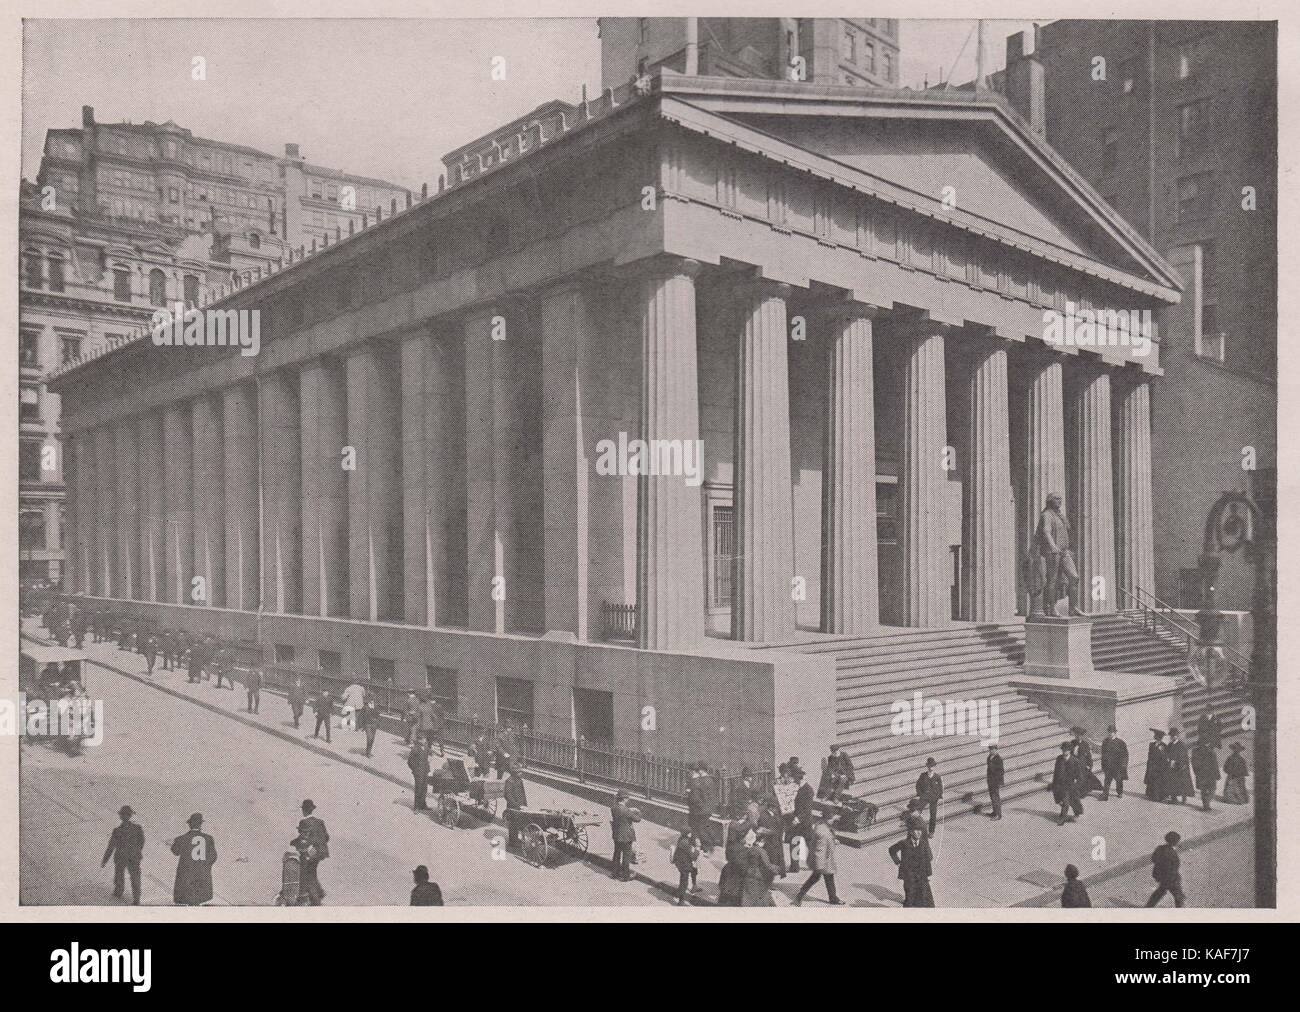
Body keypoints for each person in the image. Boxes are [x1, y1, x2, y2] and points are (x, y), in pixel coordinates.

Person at [1034, 492, 1079, 615]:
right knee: (1052, 580)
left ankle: (1072, 608)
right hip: (1052, 552)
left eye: (1061, 499)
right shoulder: (1047, 515)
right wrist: (1052, 546)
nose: (1060, 501)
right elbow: (1046, 531)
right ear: (1050, 501)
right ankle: (1051, 607)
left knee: (1074, 577)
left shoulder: (1060, 516)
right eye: (1057, 499)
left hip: (1064, 552)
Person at [794, 809, 843, 906]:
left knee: (828, 877)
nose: (833, 821)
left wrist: (833, 840)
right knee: (815, 878)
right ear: (827, 819)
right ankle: (798, 897)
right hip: (822, 861)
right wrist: (819, 866)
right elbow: (820, 850)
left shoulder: (821, 825)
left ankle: (833, 898)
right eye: (832, 819)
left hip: (825, 860)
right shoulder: (823, 832)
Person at [170, 813, 217, 906]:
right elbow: (213, 856)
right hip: (202, 873)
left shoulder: (181, 838)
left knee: (188, 898)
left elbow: (175, 852)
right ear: (200, 824)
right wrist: (205, 866)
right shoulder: (209, 838)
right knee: (199, 898)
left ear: (190, 824)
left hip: (186, 873)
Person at [101, 805, 145, 905]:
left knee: (119, 875)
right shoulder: (137, 828)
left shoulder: (117, 831)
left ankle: (119, 892)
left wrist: (105, 860)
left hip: (121, 857)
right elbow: (142, 842)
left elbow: (111, 847)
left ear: (120, 816)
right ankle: (136, 898)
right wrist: (136, 851)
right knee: (135, 878)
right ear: (130, 816)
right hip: (134, 857)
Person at [889, 824, 935, 907]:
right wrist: (898, 862)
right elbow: (891, 850)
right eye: (916, 830)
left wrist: (927, 872)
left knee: (928, 901)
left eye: (920, 831)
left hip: (921, 876)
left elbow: (929, 858)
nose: (918, 833)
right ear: (910, 832)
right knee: (910, 900)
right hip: (909, 876)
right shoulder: (904, 843)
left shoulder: (923, 843)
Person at [296, 800, 329, 902]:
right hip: (321, 852)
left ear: (304, 811)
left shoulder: (304, 822)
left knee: (307, 874)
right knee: (312, 871)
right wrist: (318, 846)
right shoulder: (320, 822)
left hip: (311, 852)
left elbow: (302, 839)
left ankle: (315, 900)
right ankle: (320, 892)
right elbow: (327, 837)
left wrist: (293, 843)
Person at [1145, 831, 1185, 908]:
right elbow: (1173, 866)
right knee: (1178, 895)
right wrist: (1176, 877)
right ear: (1175, 842)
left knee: (1160, 892)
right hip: (1171, 878)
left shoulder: (1160, 848)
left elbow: (1153, 859)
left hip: (1161, 876)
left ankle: (1148, 906)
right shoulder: (1171, 852)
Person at [610, 790, 641, 882]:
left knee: (616, 854)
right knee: (626, 856)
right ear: (624, 799)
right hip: (626, 837)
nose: (628, 800)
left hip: (617, 835)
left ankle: (614, 873)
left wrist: (629, 810)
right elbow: (637, 819)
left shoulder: (614, 808)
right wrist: (637, 811)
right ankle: (626, 876)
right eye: (627, 798)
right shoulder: (626, 811)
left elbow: (621, 812)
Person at [739, 831, 777, 907]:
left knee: (748, 898)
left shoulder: (749, 849)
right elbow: (768, 865)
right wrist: (776, 869)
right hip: (758, 877)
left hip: (748, 874)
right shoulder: (762, 851)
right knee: (763, 898)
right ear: (762, 841)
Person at [686, 763, 717, 854]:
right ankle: (705, 844)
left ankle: (706, 847)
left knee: (699, 828)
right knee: (705, 826)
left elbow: (695, 798)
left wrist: (689, 793)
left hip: (699, 809)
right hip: (708, 808)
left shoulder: (697, 781)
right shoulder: (710, 780)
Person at [1051, 740, 1084, 825]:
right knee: (1063, 801)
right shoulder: (1059, 759)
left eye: (1066, 750)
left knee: (1070, 801)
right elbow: (1056, 773)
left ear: (1069, 751)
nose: (1064, 751)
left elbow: (1080, 776)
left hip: (1070, 785)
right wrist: (1054, 784)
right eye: (1063, 750)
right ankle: (1069, 815)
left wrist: (1077, 785)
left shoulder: (1075, 761)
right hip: (1060, 785)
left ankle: (1064, 817)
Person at [790, 764, 815, 871]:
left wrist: (798, 819)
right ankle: (795, 866)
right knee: (795, 842)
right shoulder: (799, 788)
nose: (794, 781)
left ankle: (813, 864)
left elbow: (807, 809)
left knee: (809, 844)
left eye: (795, 779)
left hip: (805, 822)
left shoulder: (808, 790)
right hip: (799, 821)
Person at [671, 829, 701, 905]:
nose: (691, 834)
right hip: (685, 865)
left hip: (681, 863)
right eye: (689, 833)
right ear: (688, 834)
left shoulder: (682, 839)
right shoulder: (686, 843)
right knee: (684, 882)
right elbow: (693, 856)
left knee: (685, 878)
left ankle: (680, 892)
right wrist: (697, 849)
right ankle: (681, 901)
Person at [1165, 727, 1194, 804]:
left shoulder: (1181, 745)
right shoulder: (1170, 745)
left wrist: (1179, 764)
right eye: (1171, 736)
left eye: (1174, 735)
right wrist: (1169, 760)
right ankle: (1173, 798)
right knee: (1172, 782)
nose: (1173, 737)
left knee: (1182, 783)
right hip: (1172, 767)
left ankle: (1184, 798)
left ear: (1177, 736)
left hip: (1180, 767)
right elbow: (1167, 754)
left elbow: (1184, 757)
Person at [915, 757, 943, 837]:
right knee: (917, 811)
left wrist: (938, 795)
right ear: (927, 766)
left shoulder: (937, 777)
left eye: (933, 766)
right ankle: (917, 829)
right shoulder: (923, 775)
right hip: (924, 797)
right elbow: (918, 785)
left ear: (934, 767)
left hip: (933, 798)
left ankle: (931, 832)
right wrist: (920, 794)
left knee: (933, 815)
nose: (931, 768)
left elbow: (940, 788)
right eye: (930, 766)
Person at [1070, 727, 1103, 796]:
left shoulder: (1085, 744)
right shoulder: (1072, 743)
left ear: (1082, 736)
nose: (1078, 737)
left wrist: (1089, 765)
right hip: (1074, 765)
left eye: (1080, 735)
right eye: (1076, 735)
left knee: (1087, 777)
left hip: (1083, 765)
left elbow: (1089, 756)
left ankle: (1084, 790)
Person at [1100, 725, 1129, 800]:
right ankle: (1105, 795)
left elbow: (1125, 755)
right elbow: (1103, 754)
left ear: (1115, 733)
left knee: (1119, 780)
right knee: (1107, 780)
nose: (1110, 733)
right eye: (1109, 732)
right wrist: (1103, 765)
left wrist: (1124, 765)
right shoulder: (1105, 741)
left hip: (1117, 766)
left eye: (1112, 732)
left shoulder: (1120, 742)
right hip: (1108, 766)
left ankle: (1120, 792)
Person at [1191, 739, 1220, 812]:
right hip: (1210, 774)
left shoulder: (1195, 751)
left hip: (1201, 775)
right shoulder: (1211, 752)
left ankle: (1206, 805)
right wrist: (1217, 774)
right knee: (1211, 790)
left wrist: (1196, 772)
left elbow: (1193, 763)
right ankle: (1207, 804)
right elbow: (1215, 764)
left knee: (1204, 790)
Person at [503, 764, 528, 849]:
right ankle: (512, 841)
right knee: (513, 823)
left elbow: (523, 793)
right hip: (512, 806)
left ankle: (516, 839)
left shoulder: (520, 780)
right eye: (519, 772)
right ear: (514, 773)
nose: (521, 773)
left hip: (520, 806)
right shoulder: (509, 781)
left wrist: (525, 804)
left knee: (518, 822)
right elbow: (507, 795)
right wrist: (516, 805)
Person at [408, 737, 430, 811]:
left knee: (424, 788)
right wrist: (415, 770)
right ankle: (416, 807)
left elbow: (427, 758)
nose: (424, 741)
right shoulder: (415, 749)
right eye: (422, 739)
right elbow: (409, 761)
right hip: (418, 772)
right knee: (418, 789)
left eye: (425, 739)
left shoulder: (426, 748)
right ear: (419, 740)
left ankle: (423, 805)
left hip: (425, 771)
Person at [1144, 729, 1167, 801]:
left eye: (1156, 735)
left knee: (1158, 782)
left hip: (1159, 767)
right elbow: (1150, 755)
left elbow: (1164, 757)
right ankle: (1151, 794)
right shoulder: (1152, 744)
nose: (1154, 736)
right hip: (1151, 766)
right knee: (1152, 780)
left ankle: (1158, 796)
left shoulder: (1163, 746)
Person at [986, 743, 1004, 820]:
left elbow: (1001, 771)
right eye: (990, 749)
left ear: (996, 750)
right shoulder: (989, 757)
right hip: (990, 780)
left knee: (995, 797)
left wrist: (998, 781)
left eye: (993, 749)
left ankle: (998, 815)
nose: (991, 751)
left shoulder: (998, 759)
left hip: (995, 781)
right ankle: (994, 812)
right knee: (992, 797)